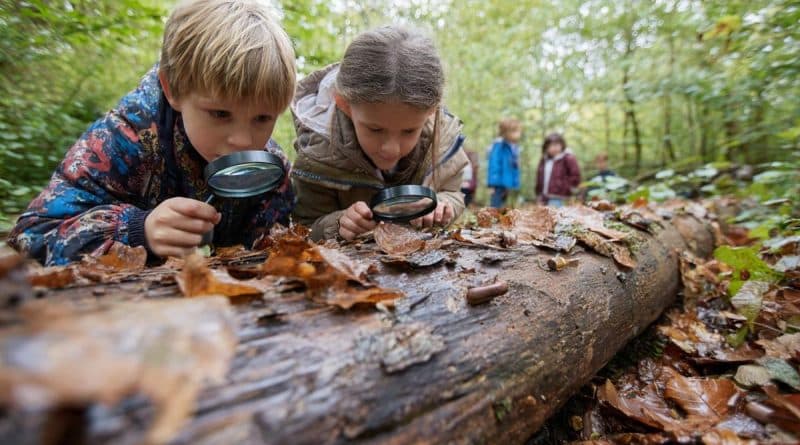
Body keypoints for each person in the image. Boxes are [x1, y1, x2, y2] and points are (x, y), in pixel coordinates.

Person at [7, 0, 297, 265]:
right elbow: (31, 234)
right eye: (220, 114)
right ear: (172, 89)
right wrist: (136, 230)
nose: (244, 141)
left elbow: (277, 245)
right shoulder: (120, 142)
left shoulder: (270, 170)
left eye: (262, 118)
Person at [290, 26, 469, 242]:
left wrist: (443, 205)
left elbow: (454, 192)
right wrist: (338, 224)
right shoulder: (318, 154)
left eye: (409, 131)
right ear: (344, 105)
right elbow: (305, 225)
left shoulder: (441, 143)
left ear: (431, 113)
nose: (391, 149)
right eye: (375, 129)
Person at [535, 132, 581, 207]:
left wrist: (569, 189)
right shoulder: (544, 160)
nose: (553, 148)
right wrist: (538, 195)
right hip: (545, 198)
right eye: (550, 145)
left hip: (561, 197)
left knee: (558, 217)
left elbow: (575, 175)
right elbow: (539, 178)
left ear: (562, 145)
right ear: (546, 147)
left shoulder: (568, 158)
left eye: (556, 145)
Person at [486, 118, 522, 208]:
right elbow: (494, 164)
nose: (519, 134)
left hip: (508, 184)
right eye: (515, 131)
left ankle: (500, 221)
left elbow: (514, 168)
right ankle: (492, 221)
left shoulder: (514, 147)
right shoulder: (499, 146)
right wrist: (492, 184)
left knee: (505, 207)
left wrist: (515, 183)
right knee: (495, 206)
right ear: (506, 132)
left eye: (518, 131)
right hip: (498, 184)